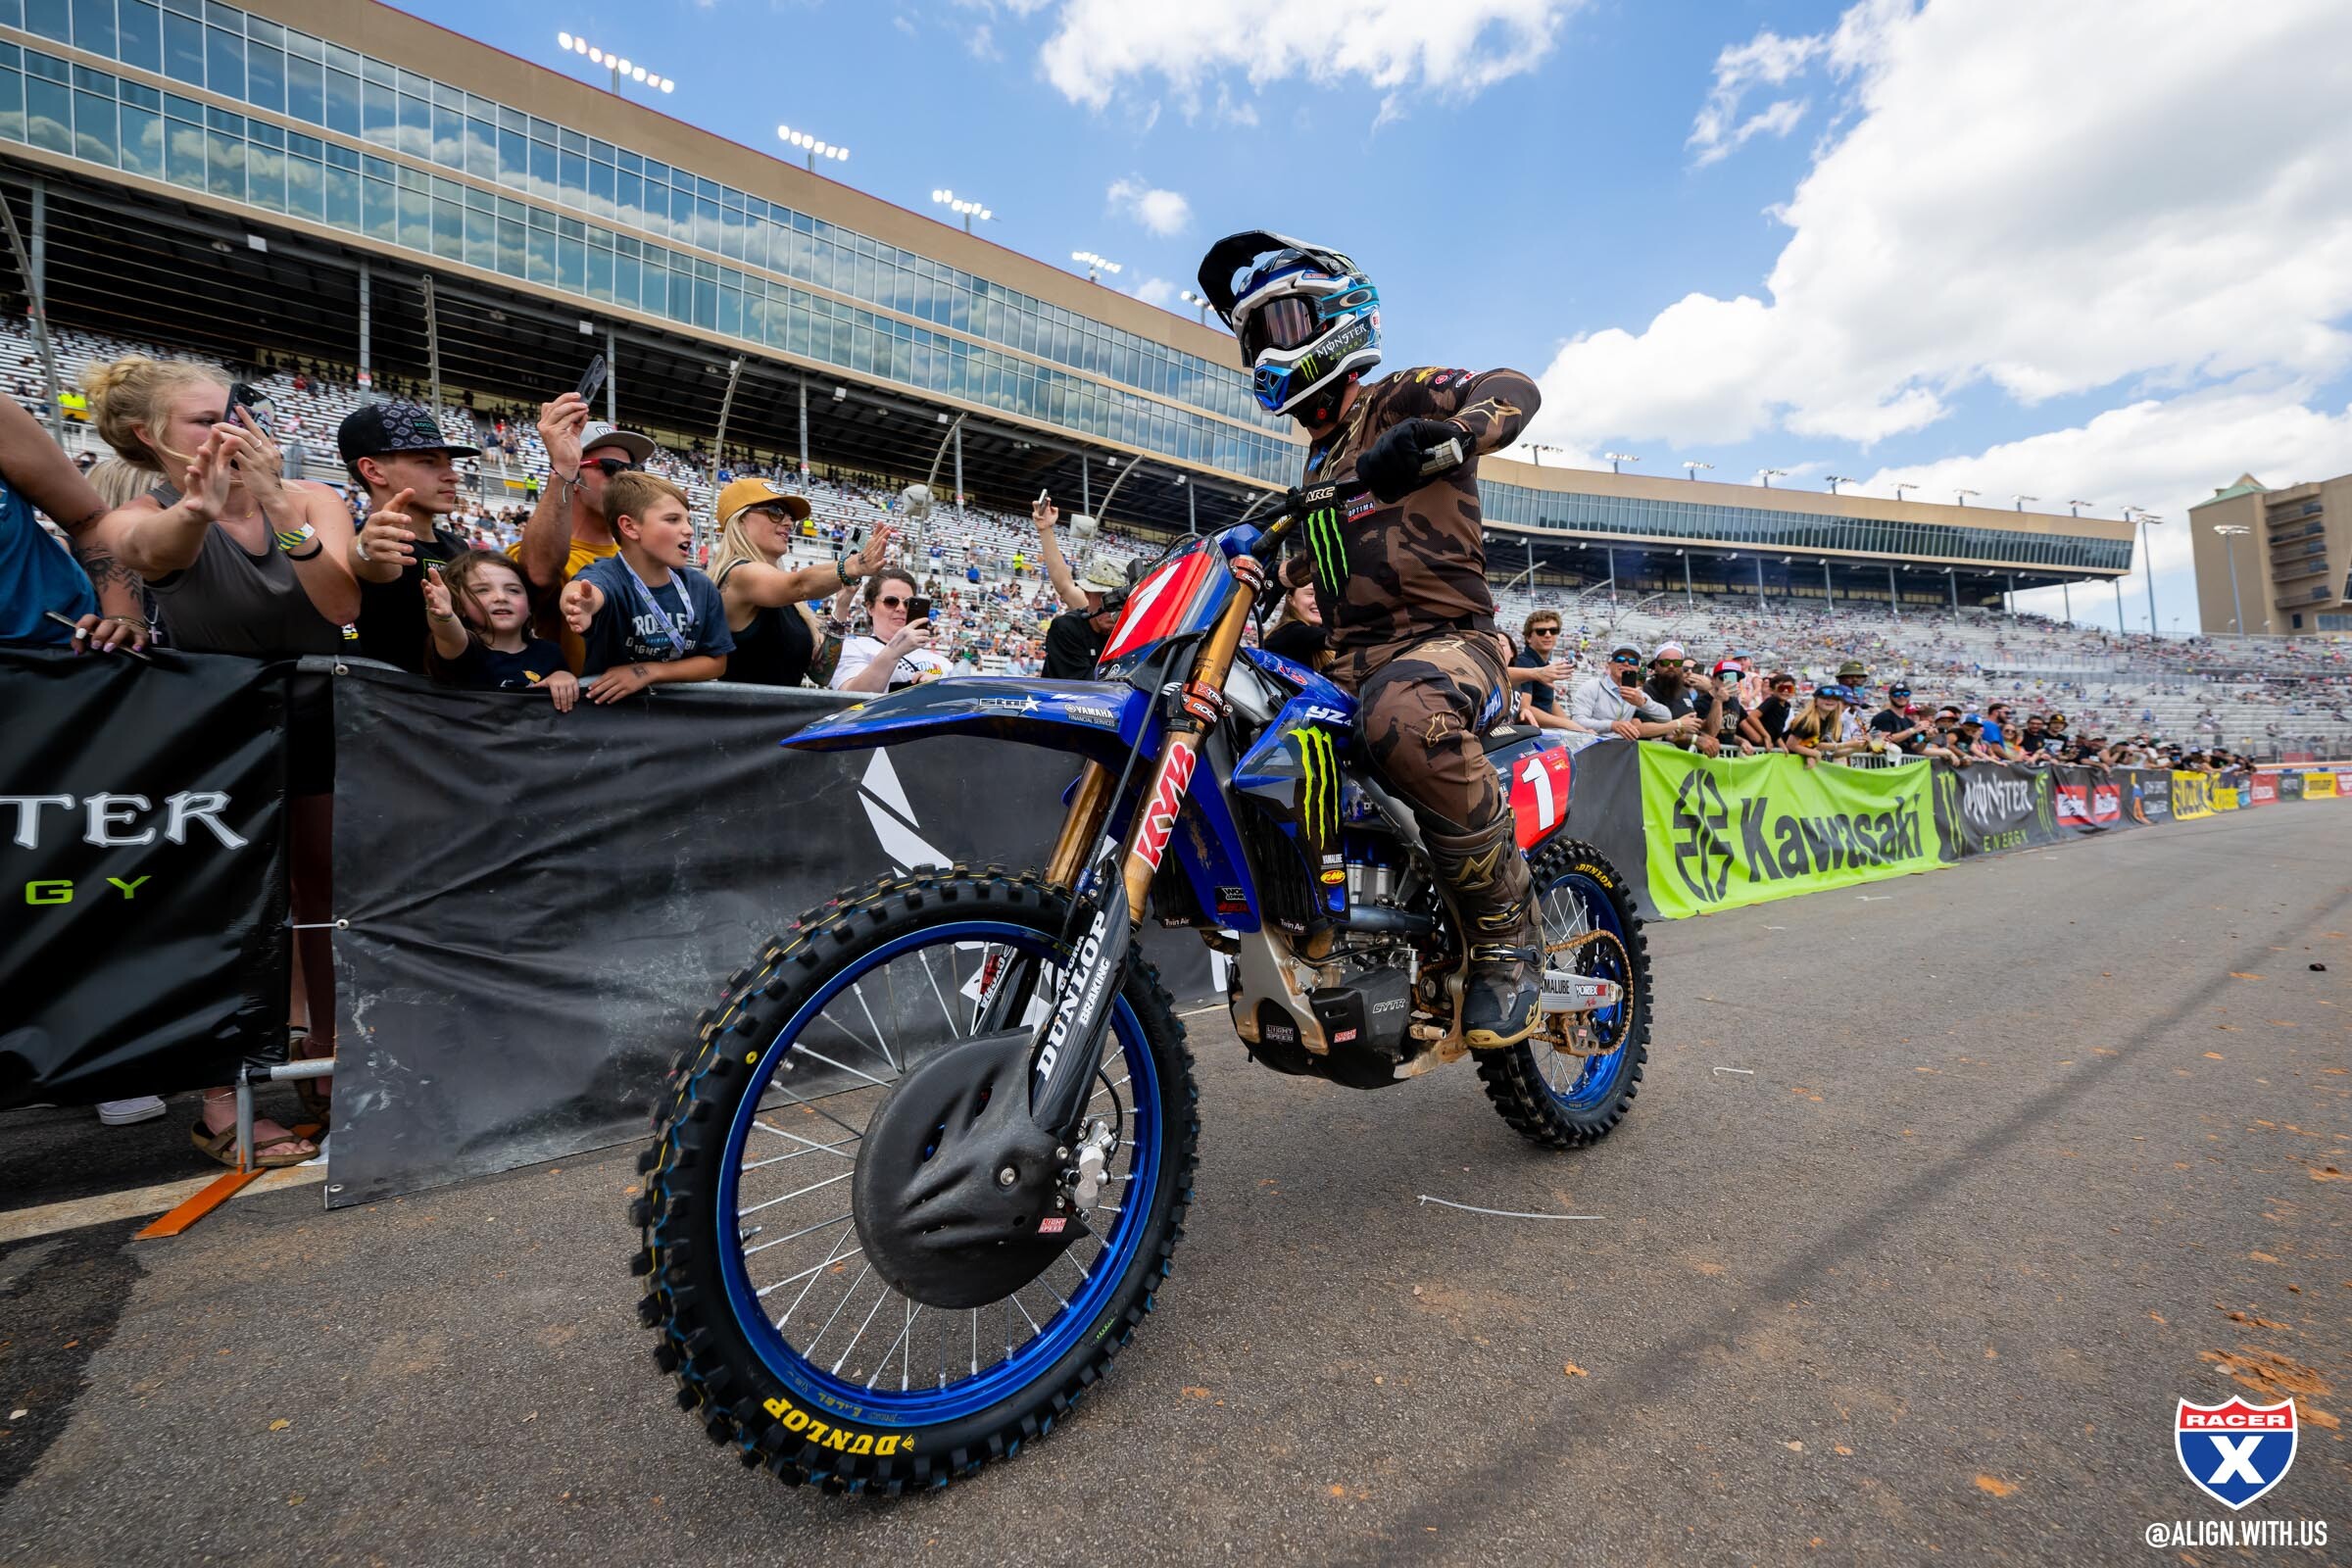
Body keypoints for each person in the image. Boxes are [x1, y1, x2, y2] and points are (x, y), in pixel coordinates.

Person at [1200, 229, 1556, 1044]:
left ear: (1341, 318)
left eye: (1283, 322)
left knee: (1401, 710)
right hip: (1348, 663)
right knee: (1236, 707)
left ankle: (1509, 944)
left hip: (1450, 647)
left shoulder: (1396, 400)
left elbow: (1512, 387)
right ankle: (1315, 922)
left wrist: (1456, 434)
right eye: (1255, 335)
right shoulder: (1316, 468)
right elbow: (1305, 570)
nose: (1267, 348)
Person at [82, 353, 361, 1168]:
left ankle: (327, 1064)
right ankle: (220, 1097)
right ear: (149, 437)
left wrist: (274, 501)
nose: (233, 428)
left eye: (234, 410)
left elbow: (341, 607)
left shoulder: (310, 499)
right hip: (221, 732)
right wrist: (200, 509)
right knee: (233, 907)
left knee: (325, 902)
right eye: (207, 420)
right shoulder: (141, 516)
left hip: (323, 719)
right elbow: (156, 554)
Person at [340, 400, 487, 673]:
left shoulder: (457, 544)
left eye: (449, 463)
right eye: (429, 462)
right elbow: (373, 559)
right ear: (373, 471)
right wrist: (363, 549)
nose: (453, 476)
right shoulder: (372, 542)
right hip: (398, 706)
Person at [510, 391, 657, 664]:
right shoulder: (539, 552)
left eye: (634, 469)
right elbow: (539, 573)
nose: (625, 478)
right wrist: (563, 468)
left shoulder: (647, 558)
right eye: (611, 467)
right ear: (574, 474)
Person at [557, 472, 732, 700]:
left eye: (688, 520)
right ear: (630, 527)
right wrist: (580, 604)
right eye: (672, 519)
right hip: (614, 722)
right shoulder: (608, 575)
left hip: (682, 722)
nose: (689, 529)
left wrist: (647, 672)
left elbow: (717, 663)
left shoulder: (701, 587)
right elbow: (584, 591)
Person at [706, 477, 889, 688]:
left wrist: (842, 605)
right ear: (740, 520)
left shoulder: (786, 597)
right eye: (775, 511)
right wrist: (855, 565)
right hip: (740, 717)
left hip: (780, 718)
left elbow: (821, 673)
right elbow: (800, 585)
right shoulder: (739, 574)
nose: (788, 522)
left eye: (790, 516)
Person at [421, 550, 578, 710]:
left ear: (529, 605)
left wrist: (564, 677)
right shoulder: (464, 649)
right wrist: (443, 615)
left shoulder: (550, 652)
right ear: (460, 606)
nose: (501, 597)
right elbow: (448, 634)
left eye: (513, 590)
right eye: (482, 590)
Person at [832, 566, 952, 692]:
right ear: (870, 607)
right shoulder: (853, 647)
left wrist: (938, 690)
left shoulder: (942, 662)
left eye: (907, 603)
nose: (901, 608)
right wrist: (894, 651)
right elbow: (851, 698)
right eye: (891, 601)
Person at [1261, 579, 1329, 668]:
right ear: (1291, 600)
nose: (1320, 601)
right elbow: (1341, 637)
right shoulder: (1292, 632)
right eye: (1310, 594)